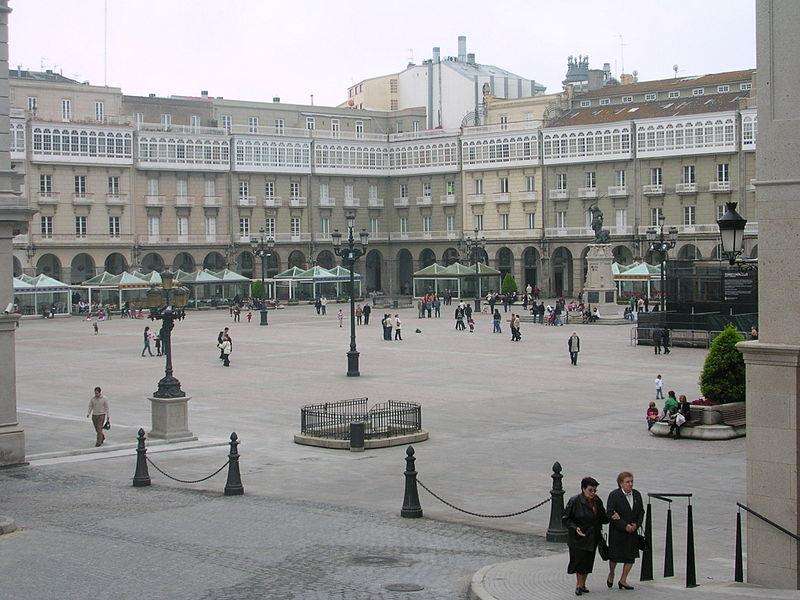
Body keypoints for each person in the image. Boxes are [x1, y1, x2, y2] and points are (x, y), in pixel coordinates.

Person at [563, 476, 609, 596]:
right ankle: (578, 585)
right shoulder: (574, 501)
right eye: (590, 490)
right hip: (578, 538)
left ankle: (583, 584)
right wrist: (575, 528)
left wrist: (611, 517)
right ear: (583, 489)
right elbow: (565, 519)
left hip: (592, 536)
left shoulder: (597, 501)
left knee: (588, 562)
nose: (593, 493)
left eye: (594, 490)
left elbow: (603, 517)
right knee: (579, 562)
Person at [606, 472, 645, 591]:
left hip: (632, 531)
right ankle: (612, 573)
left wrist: (636, 525)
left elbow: (641, 512)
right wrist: (624, 525)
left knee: (630, 557)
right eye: (627, 482)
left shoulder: (637, 494)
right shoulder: (614, 495)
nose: (630, 484)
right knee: (614, 556)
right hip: (618, 531)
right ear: (621, 483)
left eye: (631, 481)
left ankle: (623, 579)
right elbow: (611, 513)